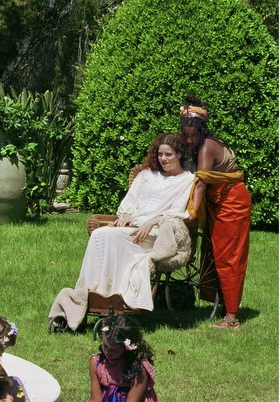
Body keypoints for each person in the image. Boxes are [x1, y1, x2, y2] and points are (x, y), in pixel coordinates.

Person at [49, 135, 195, 331]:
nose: (163, 159)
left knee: (111, 236)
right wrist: (126, 215)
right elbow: (129, 202)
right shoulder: (146, 175)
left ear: (180, 154)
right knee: (101, 234)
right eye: (160, 154)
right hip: (131, 228)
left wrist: (151, 222)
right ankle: (88, 295)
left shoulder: (186, 180)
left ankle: (114, 301)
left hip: (156, 235)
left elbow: (179, 212)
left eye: (168, 154)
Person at [180, 95, 253, 329]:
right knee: (213, 252)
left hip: (232, 204)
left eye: (193, 135)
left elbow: (200, 184)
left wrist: (190, 213)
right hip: (217, 203)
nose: (189, 140)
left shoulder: (206, 149)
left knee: (228, 256)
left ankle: (232, 318)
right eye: (186, 135)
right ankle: (224, 305)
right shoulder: (199, 146)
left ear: (202, 131)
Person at [46, 314, 168, 402]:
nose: (108, 352)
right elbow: (96, 401)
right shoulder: (96, 362)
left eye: (114, 350)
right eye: (105, 346)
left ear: (128, 348)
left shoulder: (138, 367)